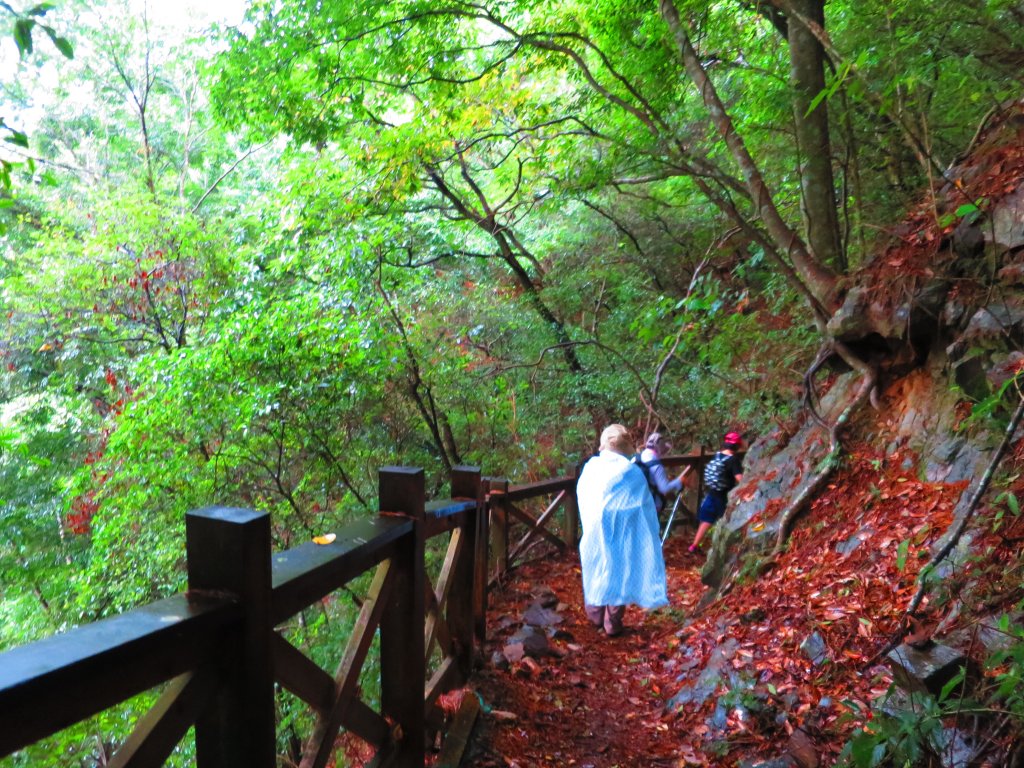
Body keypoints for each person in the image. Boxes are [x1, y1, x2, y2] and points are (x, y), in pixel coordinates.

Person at [577, 424, 668, 636]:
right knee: (620, 567)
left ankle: (595, 615)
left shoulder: (592, 467)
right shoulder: (630, 471)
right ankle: (612, 623)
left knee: (598, 563)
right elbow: (642, 504)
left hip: (596, 527)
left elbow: (584, 495)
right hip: (624, 528)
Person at [689, 431, 745, 554]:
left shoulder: (717, 456)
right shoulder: (733, 460)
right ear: (736, 446)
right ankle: (724, 548)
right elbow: (739, 478)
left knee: (707, 520)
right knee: (726, 521)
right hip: (723, 496)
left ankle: (694, 545)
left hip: (711, 493)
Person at [639, 432, 691, 515]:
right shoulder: (656, 464)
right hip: (652, 506)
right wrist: (680, 481)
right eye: (664, 451)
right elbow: (665, 488)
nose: (663, 454)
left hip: (641, 502)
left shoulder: (641, 456)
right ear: (659, 448)